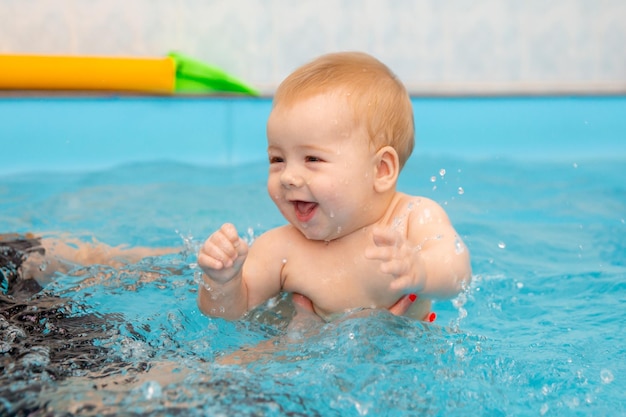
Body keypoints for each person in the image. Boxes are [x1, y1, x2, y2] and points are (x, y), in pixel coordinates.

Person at [197, 52, 471, 322]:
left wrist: (421, 270)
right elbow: (227, 316)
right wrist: (222, 282)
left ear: (381, 170)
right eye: (277, 159)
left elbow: (458, 271)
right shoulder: (280, 249)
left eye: (312, 159)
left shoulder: (412, 218)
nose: (288, 177)